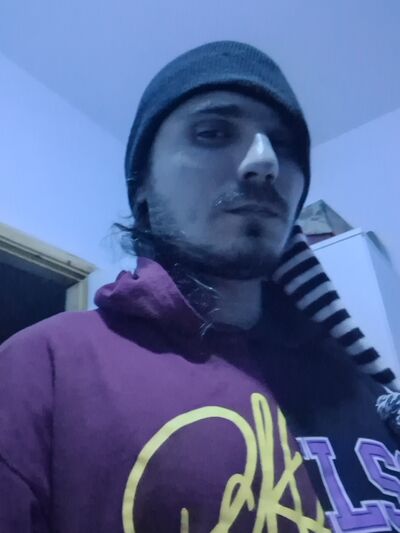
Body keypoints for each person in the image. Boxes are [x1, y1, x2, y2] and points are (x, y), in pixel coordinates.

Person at [1, 40, 400, 533]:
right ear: (143, 189)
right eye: (213, 133)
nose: (265, 162)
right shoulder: (42, 368)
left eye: (285, 146)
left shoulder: (358, 386)